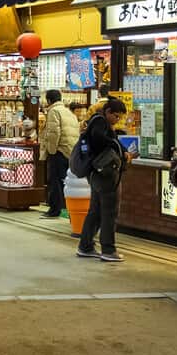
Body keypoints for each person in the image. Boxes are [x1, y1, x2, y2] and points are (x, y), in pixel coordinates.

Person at [76, 98, 129, 262]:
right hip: (104, 174)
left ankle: (85, 246)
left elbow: (111, 141)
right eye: (116, 116)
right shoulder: (100, 123)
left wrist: (122, 150)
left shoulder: (98, 122)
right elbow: (102, 141)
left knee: (96, 211)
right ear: (108, 112)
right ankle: (108, 250)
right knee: (109, 212)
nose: (117, 120)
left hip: (97, 174)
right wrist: (118, 148)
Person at [40, 89, 78, 219]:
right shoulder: (68, 112)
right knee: (65, 181)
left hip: (59, 150)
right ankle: (66, 208)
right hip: (70, 150)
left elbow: (54, 133)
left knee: (55, 180)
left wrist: (51, 151)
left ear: (49, 100)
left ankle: (54, 209)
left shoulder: (53, 111)